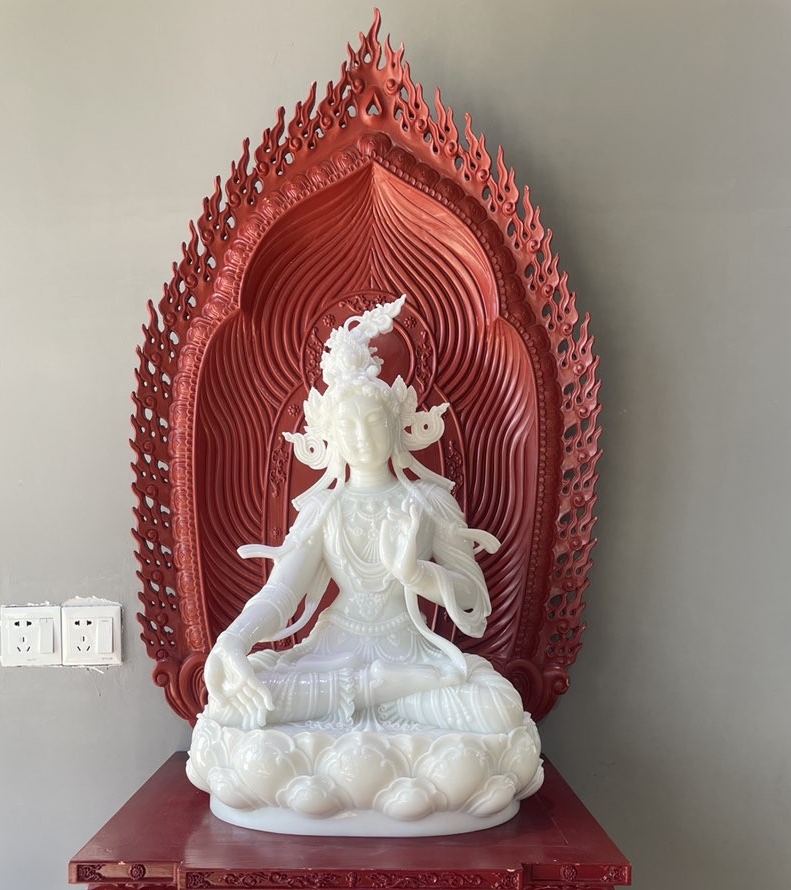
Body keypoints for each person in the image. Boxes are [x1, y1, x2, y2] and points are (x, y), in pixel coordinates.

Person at [188, 296, 542, 833]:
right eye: (348, 425)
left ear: (398, 424)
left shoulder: (429, 503)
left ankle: (383, 698)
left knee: (497, 708)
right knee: (232, 705)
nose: (362, 436)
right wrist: (232, 642)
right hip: (335, 657)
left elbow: (474, 597)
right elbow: (281, 593)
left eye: (374, 421)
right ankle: (381, 694)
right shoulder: (324, 509)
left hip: (413, 655)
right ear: (329, 435)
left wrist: (416, 575)